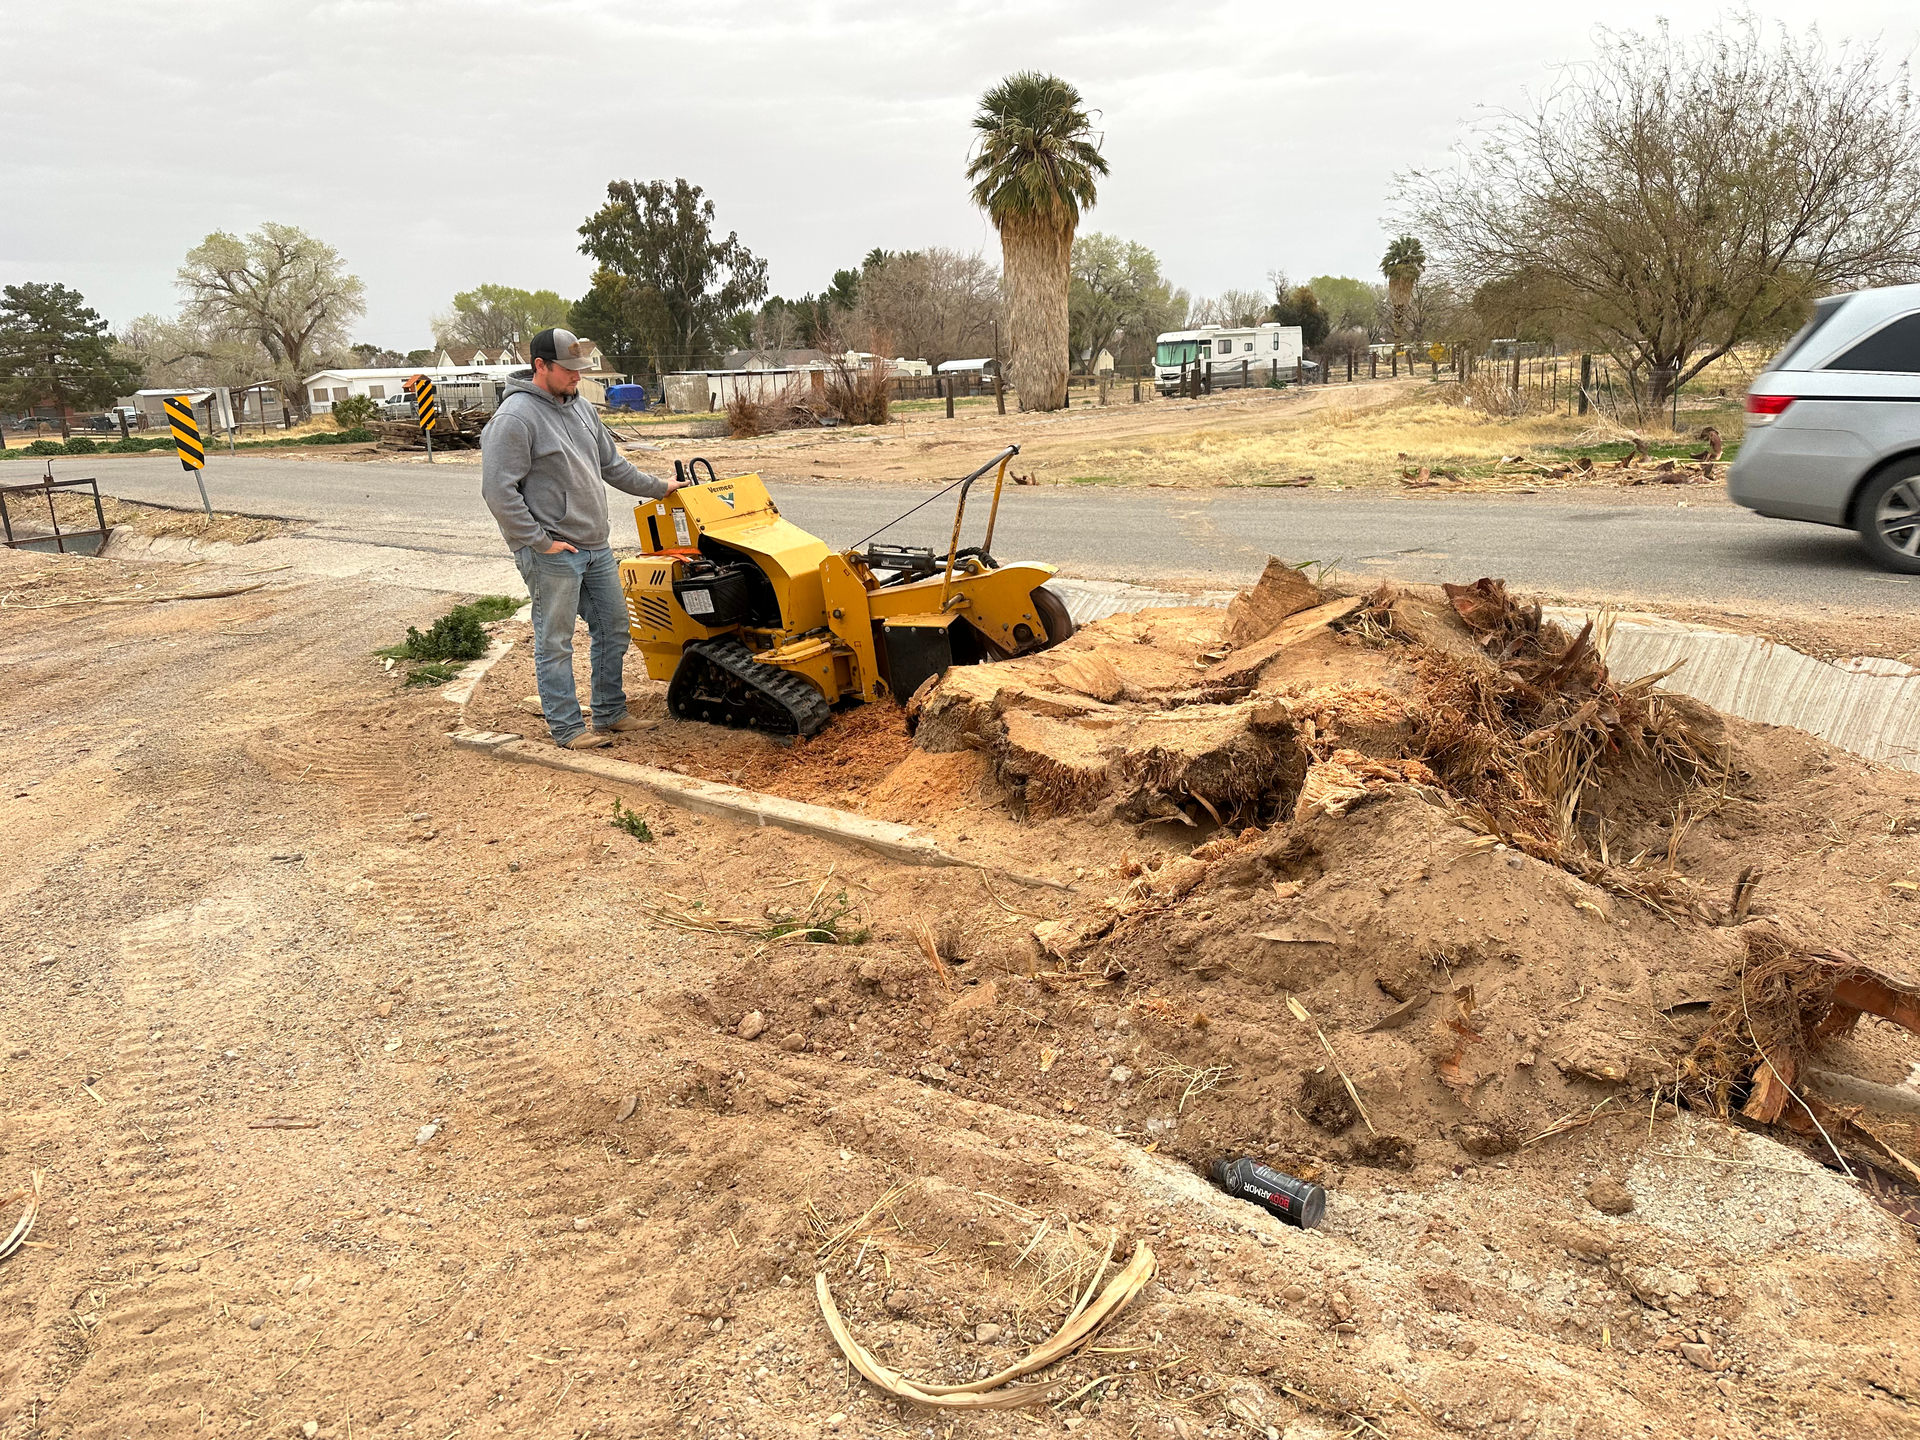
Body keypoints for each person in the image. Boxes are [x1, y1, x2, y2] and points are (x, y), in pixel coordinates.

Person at [481, 328, 678, 749]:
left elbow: (612, 465)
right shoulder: (514, 418)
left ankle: (609, 713)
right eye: (568, 370)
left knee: (614, 627)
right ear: (541, 366)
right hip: (553, 551)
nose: (576, 377)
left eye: (579, 369)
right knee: (555, 642)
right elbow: (498, 491)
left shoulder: (583, 408)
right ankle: (568, 730)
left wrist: (660, 487)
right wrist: (539, 541)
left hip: (595, 545)